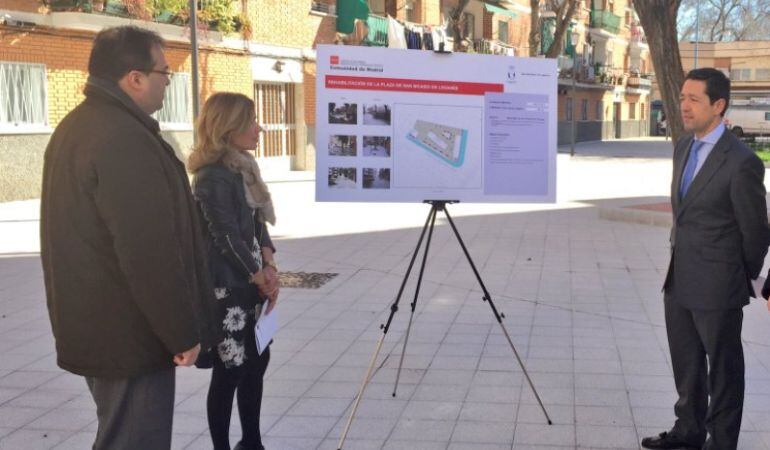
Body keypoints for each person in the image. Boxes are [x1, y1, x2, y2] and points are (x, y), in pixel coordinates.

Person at [40, 26, 219, 450]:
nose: (167, 82)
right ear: (134, 78)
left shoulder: (84, 125)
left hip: (105, 324)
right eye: (164, 73)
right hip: (129, 334)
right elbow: (146, 251)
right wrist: (181, 331)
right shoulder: (121, 138)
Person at [641, 68, 769, 450]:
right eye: (682, 98)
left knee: (724, 371)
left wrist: (739, 276)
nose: (684, 105)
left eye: (694, 99)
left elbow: (756, 231)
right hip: (678, 279)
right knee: (687, 363)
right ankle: (689, 430)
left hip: (719, 285)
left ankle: (721, 441)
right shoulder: (683, 146)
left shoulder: (741, 161)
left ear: (719, 105)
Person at [188, 92, 280, 450]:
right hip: (228, 289)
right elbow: (224, 236)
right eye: (251, 121)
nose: (259, 128)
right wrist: (259, 277)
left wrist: (270, 266)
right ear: (228, 129)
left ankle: (252, 442)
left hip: (253, 281)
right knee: (230, 371)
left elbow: (259, 225)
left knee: (257, 361)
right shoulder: (211, 176)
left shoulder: (242, 168)